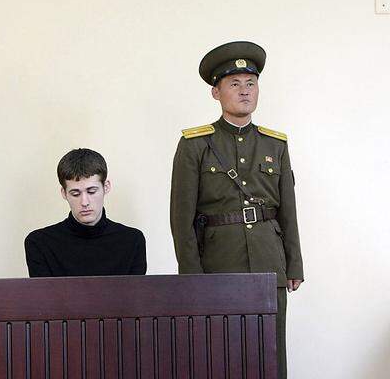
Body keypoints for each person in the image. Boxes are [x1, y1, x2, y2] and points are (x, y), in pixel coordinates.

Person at [170, 41, 304, 379]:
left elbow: (288, 209)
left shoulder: (276, 144)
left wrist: (293, 263)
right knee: (220, 357)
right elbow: (181, 218)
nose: (244, 91)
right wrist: (191, 277)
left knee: (270, 357)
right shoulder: (195, 144)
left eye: (251, 83)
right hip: (217, 265)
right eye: (234, 84)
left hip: (267, 262)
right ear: (216, 92)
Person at [25, 148, 147, 277]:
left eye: (91, 191)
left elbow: (134, 296)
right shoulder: (39, 243)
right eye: (75, 194)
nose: (84, 202)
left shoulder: (133, 241)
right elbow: (44, 297)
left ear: (106, 187)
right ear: (64, 193)